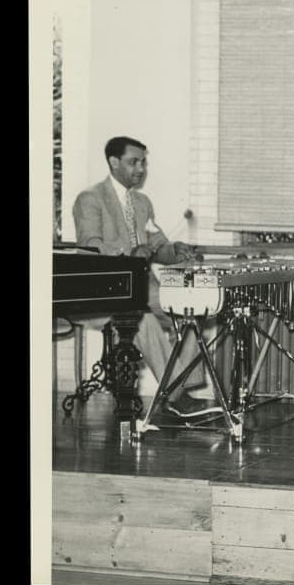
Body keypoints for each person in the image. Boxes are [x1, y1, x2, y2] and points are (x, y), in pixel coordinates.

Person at [72, 136, 211, 418]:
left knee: (192, 309)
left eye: (143, 162)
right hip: (104, 293)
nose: (140, 169)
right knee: (142, 320)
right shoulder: (90, 199)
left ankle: (179, 385)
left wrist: (177, 251)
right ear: (113, 162)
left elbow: (158, 246)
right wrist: (129, 251)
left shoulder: (142, 203)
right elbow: (91, 245)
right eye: (133, 162)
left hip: (144, 289)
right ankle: (176, 395)